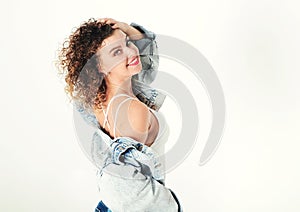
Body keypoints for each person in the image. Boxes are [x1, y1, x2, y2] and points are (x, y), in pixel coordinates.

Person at [57, 18, 182, 211]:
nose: (132, 52)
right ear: (100, 67)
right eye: (117, 52)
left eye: (127, 42)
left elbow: (148, 58)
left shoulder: (97, 99)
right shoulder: (133, 110)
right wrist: (170, 206)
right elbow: (127, 187)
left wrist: (127, 29)